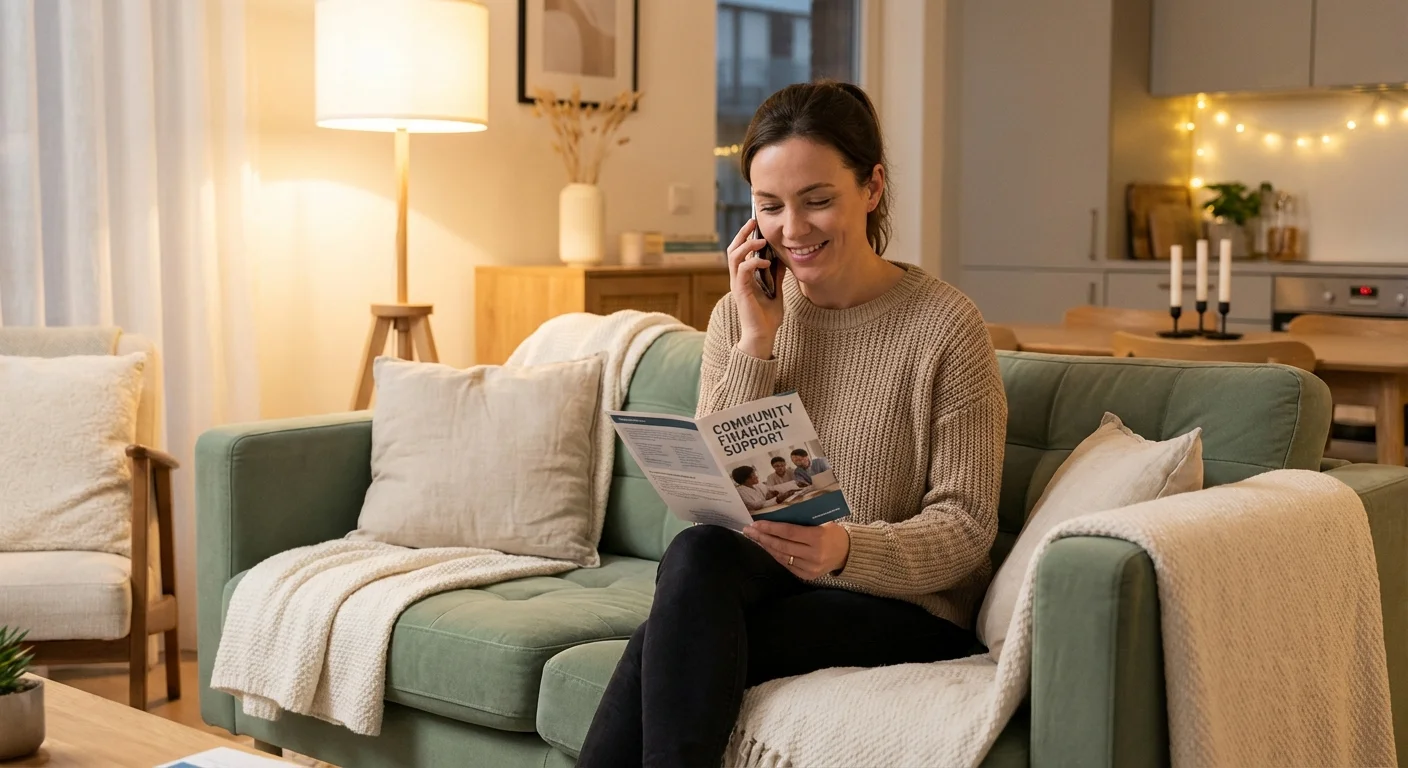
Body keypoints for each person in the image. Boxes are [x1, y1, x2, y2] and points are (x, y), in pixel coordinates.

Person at [577, 80, 1008, 768]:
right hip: (775, 579)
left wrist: (845, 551)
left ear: (872, 187)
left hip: (904, 608)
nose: (793, 230)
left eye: (818, 201)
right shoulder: (740, 315)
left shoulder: (945, 327)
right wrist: (757, 343)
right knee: (696, 558)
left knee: (670, 639)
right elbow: (712, 493)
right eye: (769, 206)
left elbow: (965, 526)